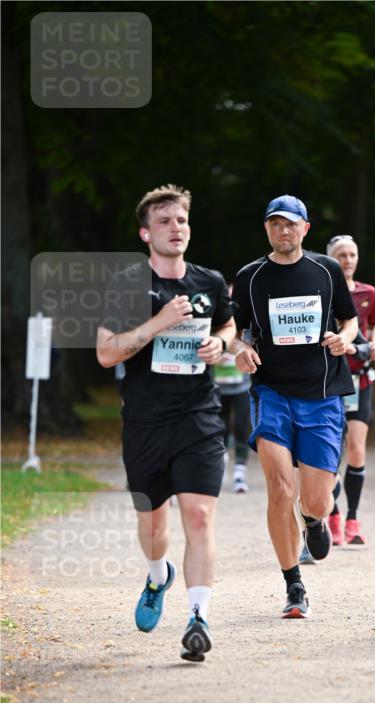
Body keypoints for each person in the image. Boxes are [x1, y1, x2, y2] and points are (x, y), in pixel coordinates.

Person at [96, 184, 235, 662]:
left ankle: (198, 618)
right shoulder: (128, 286)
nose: (175, 228)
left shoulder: (210, 282)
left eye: (181, 221)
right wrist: (158, 322)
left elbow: (227, 326)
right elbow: (106, 351)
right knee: (154, 527)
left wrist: (222, 344)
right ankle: (158, 577)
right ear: (145, 233)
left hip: (199, 416)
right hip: (145, 421)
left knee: (198, 517)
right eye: (164, 222)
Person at [232, 195, 358, 618]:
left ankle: (316, 520)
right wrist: (240, 349)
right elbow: (237, 331)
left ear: (306, 228)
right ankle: (294, 586)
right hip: (271, 393)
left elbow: (349, 318)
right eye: (275, 224)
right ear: (266, 228)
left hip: (322, 395)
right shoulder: (251, 276)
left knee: (316, 499)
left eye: (291, 224)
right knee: (280, 489)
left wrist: (346, 339)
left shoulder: (327, 270)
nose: (283, 231)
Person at [325, 235, 375, 545]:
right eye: (341, 255)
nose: (348, 260)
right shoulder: (322, 291)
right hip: (330, 381)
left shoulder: (367, 292)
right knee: (331, 454)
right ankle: (332, 514)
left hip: (361, 379)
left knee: (357, 449)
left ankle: (353, 519)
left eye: (352, 254)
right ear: (331, 259)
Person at [214, 330, 252, 494]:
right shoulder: (216, 324)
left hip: (242, 387)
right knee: (220, 430)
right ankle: (220, 466)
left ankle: (239, 474)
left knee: (242, 429)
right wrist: (215, 358)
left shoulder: (246, 328)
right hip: (218, 388)